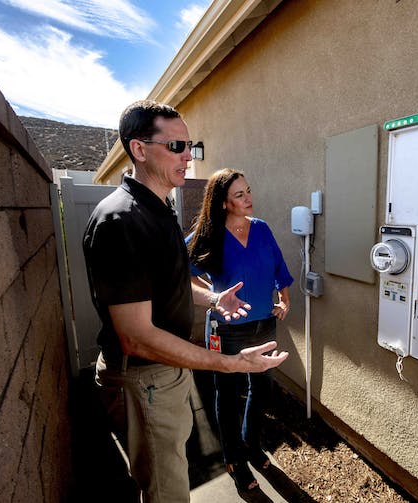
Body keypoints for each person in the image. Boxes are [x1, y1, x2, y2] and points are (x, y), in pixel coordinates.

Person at [82, 100, 289, 503]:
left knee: (170, 475)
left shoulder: (158, 210)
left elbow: (170, 285)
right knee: (167, 490)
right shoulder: (122, 220)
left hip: (167, 370)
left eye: (189, 146)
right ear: (139, 149)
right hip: (145, 376)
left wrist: (213, 299)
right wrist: (228, 363)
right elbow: (137, 338)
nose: (187, 157)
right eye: (175, 146)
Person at [187, 168, 293, 492]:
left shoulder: (261, 229)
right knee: (228, 396)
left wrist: (284, 299)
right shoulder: (208, 235)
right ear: (223, 203)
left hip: (263, 323)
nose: (249, 198)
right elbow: (183, 273)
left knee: (262, 390)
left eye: (248, 191)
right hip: (227, 329)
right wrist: (214, 297)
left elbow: (278, 267)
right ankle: (233, 458)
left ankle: (250, 443)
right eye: (239, 195)